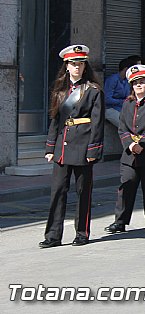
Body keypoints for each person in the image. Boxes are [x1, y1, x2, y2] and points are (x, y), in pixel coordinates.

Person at [40, 45, 105, 248]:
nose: (77, 67)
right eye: (73, 64)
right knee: (57, 191)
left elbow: (97, 123)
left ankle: (82, 233)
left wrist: (93, 150)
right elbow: (55, 119)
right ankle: (53, 235)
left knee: (83, 191)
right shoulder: (60, 89)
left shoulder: (93, 91)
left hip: (84, 145)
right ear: (66, 66)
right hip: (62, 146)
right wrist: (50, 148)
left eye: (80, 64)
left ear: (85, 66)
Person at [105, 65, 145, 235]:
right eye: (135, 83)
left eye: (142, 82)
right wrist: (130, 144)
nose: (138, 85)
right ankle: (120, 222)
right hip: (130, 154)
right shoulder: (128, 103)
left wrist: (143, 144)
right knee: (126, 186)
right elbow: (122, 127)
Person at [104, 55, 141, 127]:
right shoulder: (112, 80)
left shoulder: (127, 81)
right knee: (125, 126)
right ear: (126, 69)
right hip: (110, 109)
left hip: (123, 108)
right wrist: (121, 101)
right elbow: (107, 99)